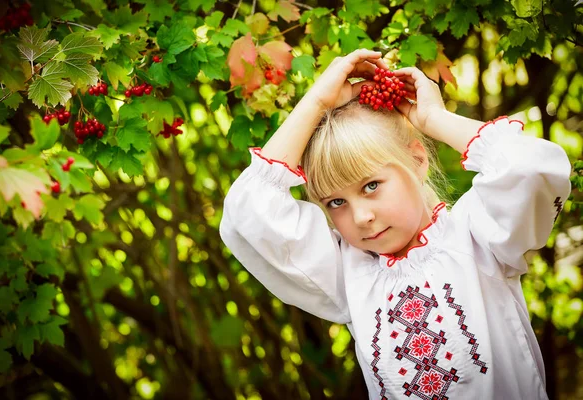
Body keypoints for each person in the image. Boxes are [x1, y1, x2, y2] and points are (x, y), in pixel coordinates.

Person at [219, 48, 571, 399]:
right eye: (336, 202)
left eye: (371, 186)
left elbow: (531, 168)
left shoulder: (477, 237)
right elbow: (249, 212)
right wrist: (316, 103)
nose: (361, 217)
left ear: (418, 161)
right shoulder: (348, 275)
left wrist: (434, 118)